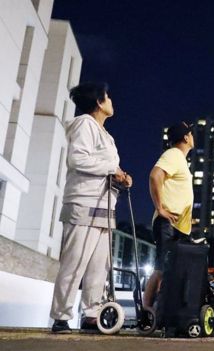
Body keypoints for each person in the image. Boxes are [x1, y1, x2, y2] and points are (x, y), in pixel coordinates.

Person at [50, 82, 132, 333]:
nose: (110, 100)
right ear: (98, 102)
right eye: (107, 96)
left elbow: (105, 166)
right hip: (83, 202)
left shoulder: (106, 135)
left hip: (105, 204)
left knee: (99, 265)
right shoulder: (85, 124)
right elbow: (77, 159)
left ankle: (91, 314)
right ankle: (61, 317)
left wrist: (121, 177)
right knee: (74, 262)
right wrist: (112, 170)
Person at [143, 122, 195, 309]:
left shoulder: (180, 159)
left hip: (177, 225)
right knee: (162, 269)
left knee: (168, 270)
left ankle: (161, 311)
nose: (193, 136)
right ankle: (148, 311)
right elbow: (155, 176)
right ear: (186, 137)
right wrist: (161, 208)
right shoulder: (174, 154)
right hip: (168, 224)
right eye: (191, 133)